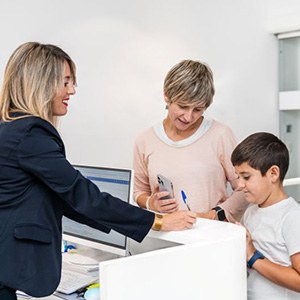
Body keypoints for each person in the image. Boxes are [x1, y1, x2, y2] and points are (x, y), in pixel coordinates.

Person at [0, 42, 197, 299]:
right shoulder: (30, 133)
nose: (72, 90)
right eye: (66, 82)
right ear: (42, 82)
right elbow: (80, 194)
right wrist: (155, 221)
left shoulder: (10, 127)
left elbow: (64, 198)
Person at [133, 59, 248, 222]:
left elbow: (245, 189)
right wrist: (151, 202)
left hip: (212, 235)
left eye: (198, 110)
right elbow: (138, 192)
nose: (188, 117)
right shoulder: (145, 140)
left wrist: (214, 215)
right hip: (166, 237)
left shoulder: (220, 135)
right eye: (183, 106)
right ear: (166, 95)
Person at [231, 132, 300, 299]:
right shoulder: (252, 211)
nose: (239, 185)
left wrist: (253, 257)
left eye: (246, 177)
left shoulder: (292, 217)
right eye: (237, 177)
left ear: (273, 174)